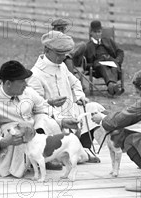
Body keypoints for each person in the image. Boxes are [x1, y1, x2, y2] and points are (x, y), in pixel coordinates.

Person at [0, 60, 80, 178]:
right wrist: (5, 141)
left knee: (46, 119)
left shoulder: (28, 92)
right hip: (13, 137)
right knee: (16, 131)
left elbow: (43, 106)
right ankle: (28, 164)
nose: (25, 84)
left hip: (35, 134)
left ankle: (46, 155)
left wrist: (63, 121)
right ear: (8, 83)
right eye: (22, 81)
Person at [28, 30, 107, 163]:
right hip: (53, 116)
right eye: (59, 54)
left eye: (64, 54)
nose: (62, 57)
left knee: (94, 108)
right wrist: (51, 103)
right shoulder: (35, 74)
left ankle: (85, 146)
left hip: (71, 110)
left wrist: (80, 96)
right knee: (44, 121)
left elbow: (75, 82)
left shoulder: (62, 65)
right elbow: (38, 105)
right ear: (47, 50)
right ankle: (51, 155)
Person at [72, 20, 124, 96]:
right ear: (91, 33)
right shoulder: (88, 46)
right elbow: (85, 62)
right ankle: (112, 86)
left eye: (99, 32)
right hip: (98, 65)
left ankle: (111, 87)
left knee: (114, 67)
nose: (97, 34)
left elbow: (119, 51)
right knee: (103, 67)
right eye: (95, 32)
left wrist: (117, 60)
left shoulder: (108, 41)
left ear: (101, 32)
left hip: (112, 61)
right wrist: (91, 65)